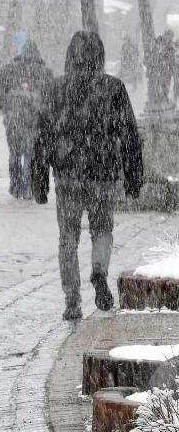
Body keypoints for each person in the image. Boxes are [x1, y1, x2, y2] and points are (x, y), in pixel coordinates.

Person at [32, 31, 143, 321]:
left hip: (68, 174)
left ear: (70, 56)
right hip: (103, 173)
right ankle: (98, 270)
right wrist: (133, 176)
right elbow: (130, 135)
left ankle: (72, 301)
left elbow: (42, 136)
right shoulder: (114, 88)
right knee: (102, 229)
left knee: (67, 238)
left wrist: (39, 178)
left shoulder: (56, 89)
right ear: (100, 56)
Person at [0, 40, 53, 200]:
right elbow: (52, 98)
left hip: (13, 120)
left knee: (15, 153)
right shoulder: (45, 72)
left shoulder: (7, 70)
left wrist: (7, 106)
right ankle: (28, 187)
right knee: (31, 153)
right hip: (35, 120)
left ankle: (16, 186)